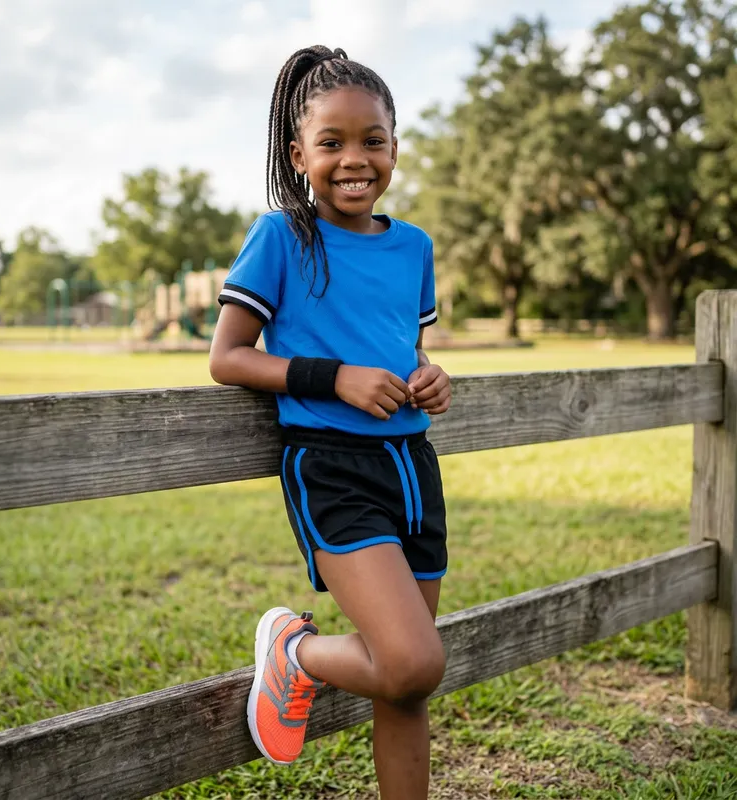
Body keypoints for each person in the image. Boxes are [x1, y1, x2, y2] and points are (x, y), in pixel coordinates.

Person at [209, 45, 452, 800]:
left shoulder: (414, 247)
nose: (356, 159)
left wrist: (430, 378)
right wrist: (334, 379)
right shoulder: (281, 236)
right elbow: (228, 357)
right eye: (332, 142)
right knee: (414, 661)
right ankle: (298, 651)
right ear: (298, 153)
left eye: (372, 140)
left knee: (403, 689)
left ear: (395, 146)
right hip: (332, 468)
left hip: (414, 470)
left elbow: (405, 348)